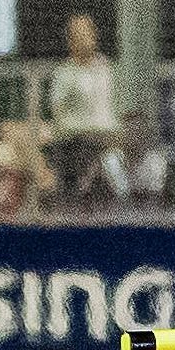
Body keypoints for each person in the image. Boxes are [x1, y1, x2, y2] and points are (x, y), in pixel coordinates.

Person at [44, 13, 123, 208]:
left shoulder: (108, 69)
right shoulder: (64, 73)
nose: (85, 40)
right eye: (78, 35)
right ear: (70, 42)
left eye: (88, 34)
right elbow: (59, 115)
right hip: (78, 142)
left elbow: (119, 109)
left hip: (110, 138)